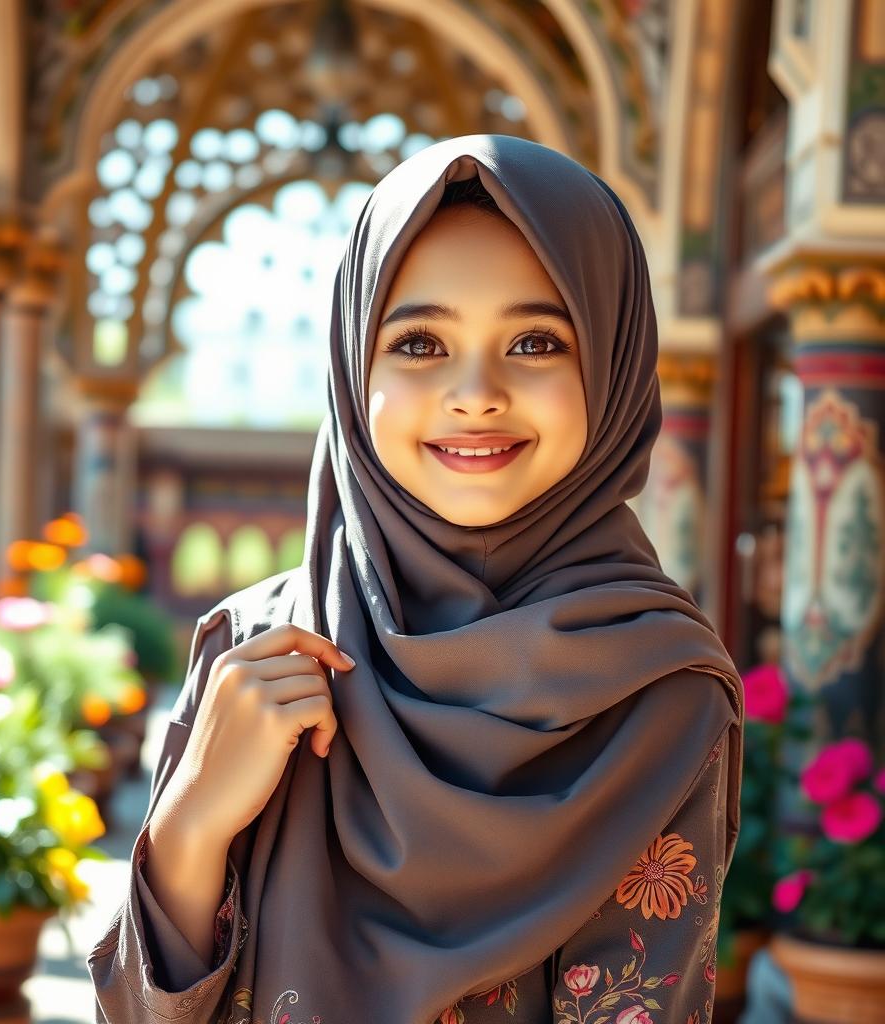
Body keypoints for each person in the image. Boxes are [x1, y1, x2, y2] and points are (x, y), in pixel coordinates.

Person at [87, 134, 744, 1024]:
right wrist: (191, 828)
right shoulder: (254, 651)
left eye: (538, 340)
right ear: (355, 369)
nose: (475, 393)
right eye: (421, 341)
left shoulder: (656, 690)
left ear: (614, 362)